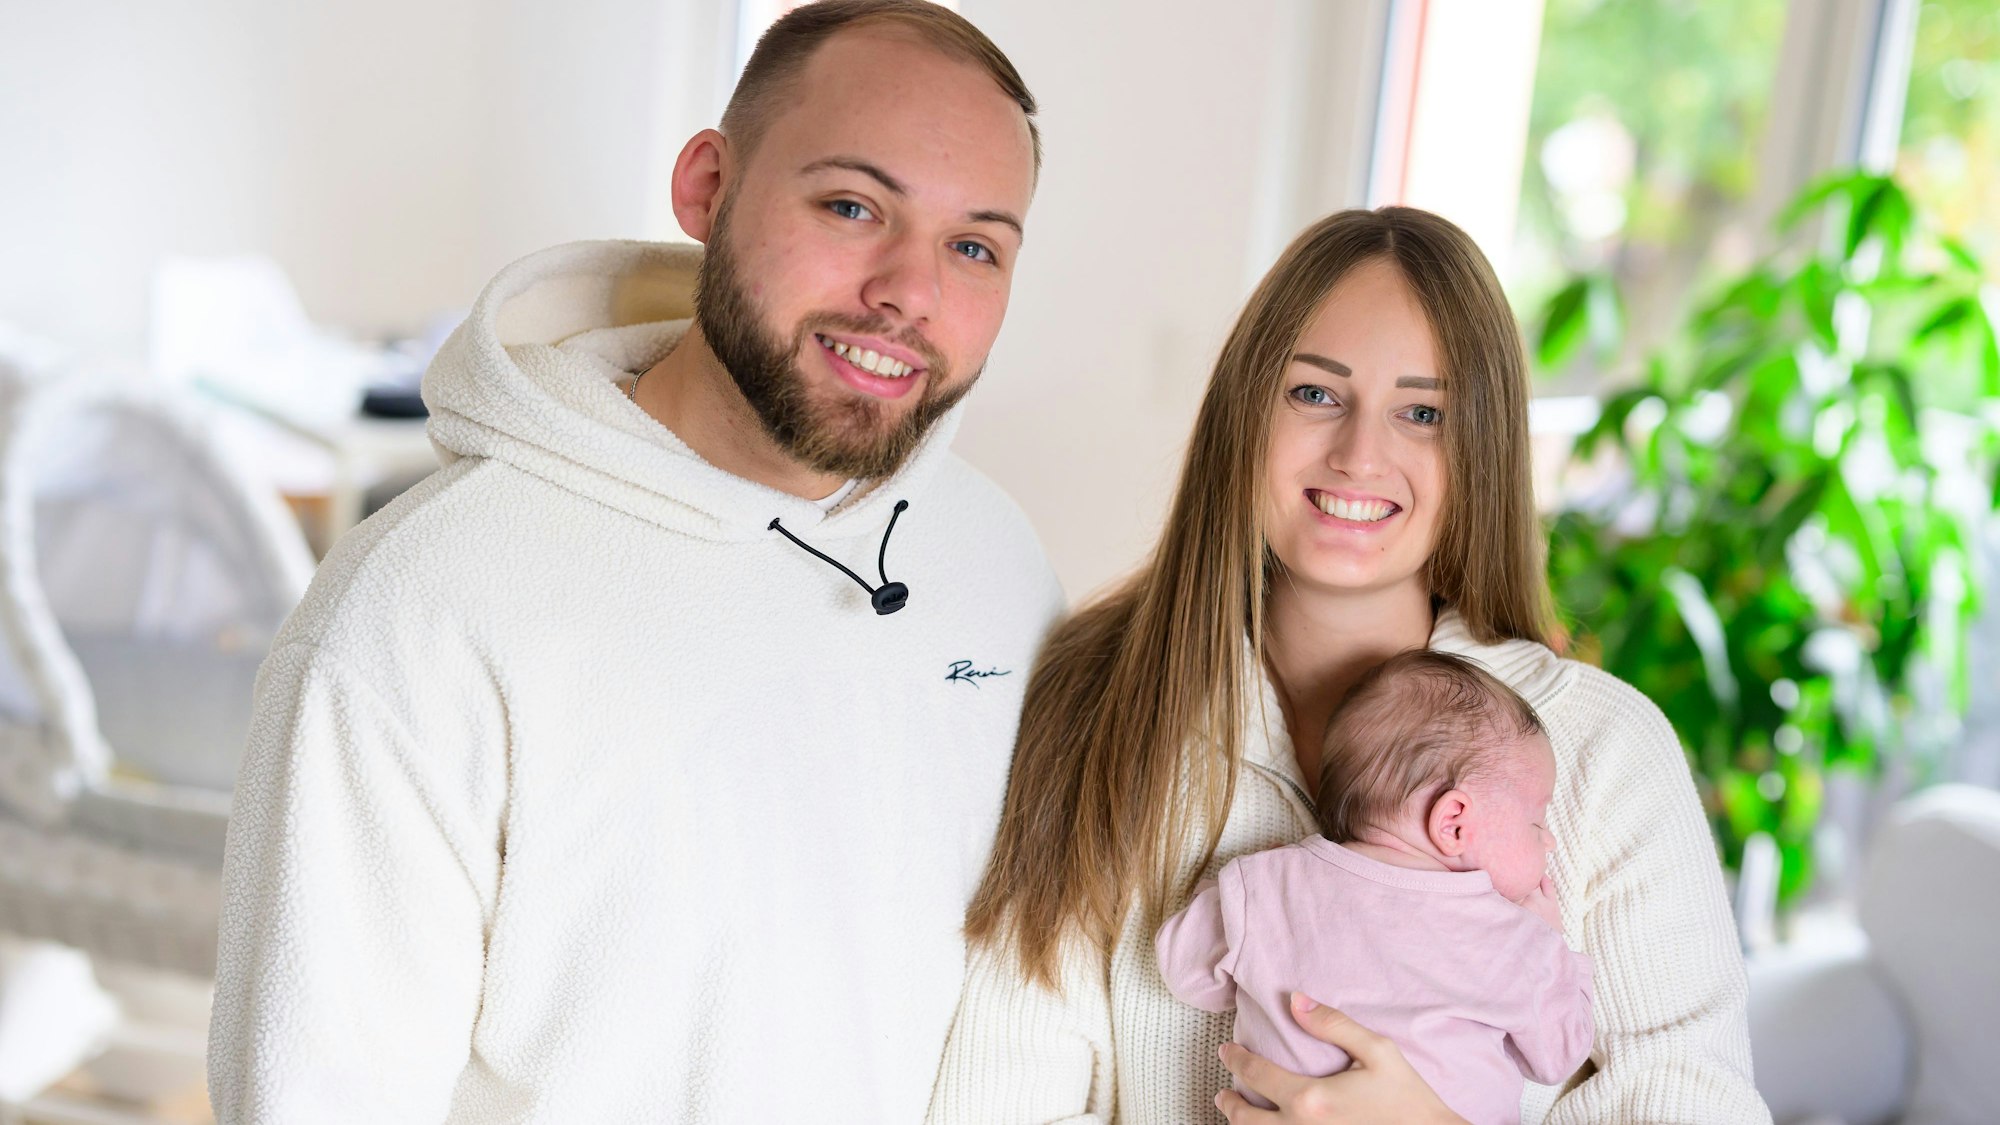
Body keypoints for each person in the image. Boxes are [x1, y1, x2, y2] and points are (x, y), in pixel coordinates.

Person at [207, 3, 1063, 1121]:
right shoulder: (422, 607)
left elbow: (1031, 997)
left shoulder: (993, 559)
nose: (908, 291)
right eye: (851, 206)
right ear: (708, 186)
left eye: (973, 247)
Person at [926, 207, 1771, 1124]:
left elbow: (1694, 1101)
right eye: (1316, 394)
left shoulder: (1604, 751)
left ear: (1478, 451)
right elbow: (996, 1099)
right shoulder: (1093, 708)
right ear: (1245, 410)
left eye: (1422, 412)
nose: (1361, 454)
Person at [1155, 649, 1594, 1123]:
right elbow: (1559, 1054)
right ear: (1453, 822)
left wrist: (1243, 888)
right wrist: (1553, 946)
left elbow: (1186, 974)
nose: (1548, 838)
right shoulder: (1515, 938)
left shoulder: (1266, 884)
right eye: (1536, 820)